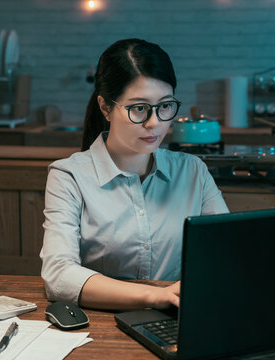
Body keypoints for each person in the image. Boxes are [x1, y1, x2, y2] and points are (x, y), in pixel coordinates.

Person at [40, 38, 228, 310]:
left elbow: (226, 254)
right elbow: (58, 276)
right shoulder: (69, 176)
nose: (155, 123)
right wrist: (155, 296)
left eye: (165, 106)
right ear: (106, 107)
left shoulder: (193, 171)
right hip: (100, 325)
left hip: (178, 322)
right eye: (139, 108)